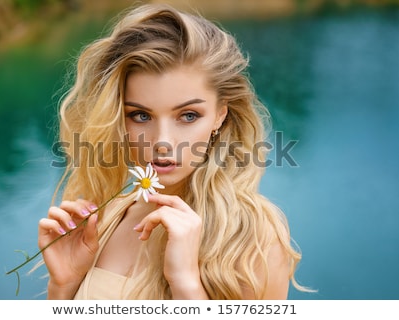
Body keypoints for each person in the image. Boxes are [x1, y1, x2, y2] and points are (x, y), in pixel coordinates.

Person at [38, 3, 306, 300]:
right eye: (140, 115)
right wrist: (63, 287)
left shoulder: (251, 240)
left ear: (220, 114)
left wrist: (185, 283)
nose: (162, 142)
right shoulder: (107, 216)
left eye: (188, 116)